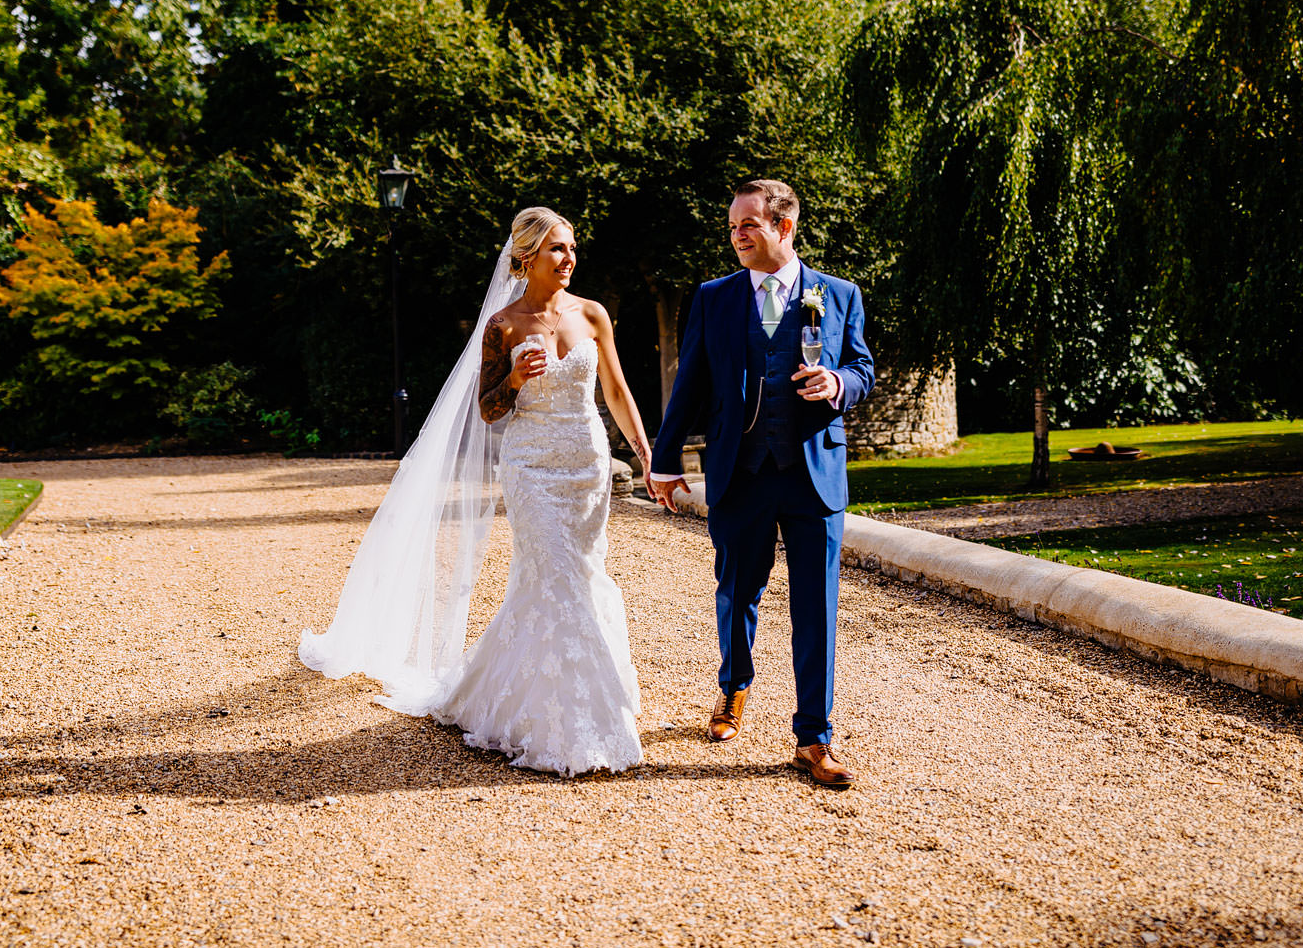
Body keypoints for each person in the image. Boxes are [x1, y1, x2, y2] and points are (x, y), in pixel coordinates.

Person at [301, 207, 652, 777]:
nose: (569, 259)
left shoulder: (592, 314)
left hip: (585, 467)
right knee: (559, 573)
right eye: (557, 249)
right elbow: (489, 411)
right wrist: (513, 379)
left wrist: (644, 452)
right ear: (526, 257)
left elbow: (615, 388)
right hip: (531, 467)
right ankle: (582, 720)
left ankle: (518, 694)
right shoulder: (503, 325)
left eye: (571, 248)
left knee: (577, 576)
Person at [647, 179, 874, 789]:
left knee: (816, 610)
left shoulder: (839, 293)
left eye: (749, 224)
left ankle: (813, 738)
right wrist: (664, 461)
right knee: (736, 592)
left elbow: (862, 368)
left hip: (813, 476)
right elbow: (690, 382)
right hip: (740, 472)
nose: (737, 235)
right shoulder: (714, 298)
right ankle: (732, 690)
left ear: (784, 227)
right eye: (732, 227)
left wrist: (839, 386)